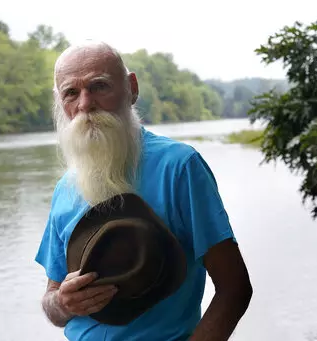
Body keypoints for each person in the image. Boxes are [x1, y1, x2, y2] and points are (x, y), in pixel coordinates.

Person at [35, 41, 253, 341]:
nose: (85, 103)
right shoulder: (66, 188)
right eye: (71, 92)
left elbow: (235, 288)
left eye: (99, 86)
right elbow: (52, 299)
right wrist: (62, 303)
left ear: (131, 88)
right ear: (61, 102)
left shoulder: (179, 167)